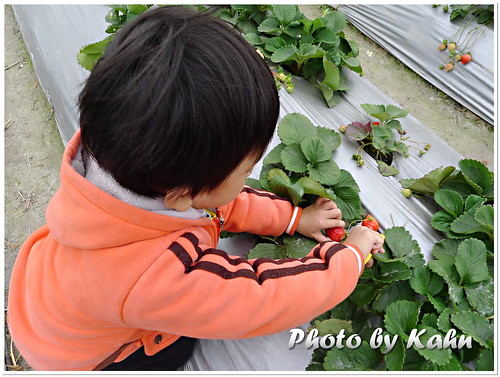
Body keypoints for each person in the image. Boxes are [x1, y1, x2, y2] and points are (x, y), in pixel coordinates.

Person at [7, 5, 384, 371]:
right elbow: (258, 298)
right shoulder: (153, 277)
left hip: (45, 299)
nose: (250, 175)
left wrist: (293, 217)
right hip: (82, 358)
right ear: (181, 196)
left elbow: (219, 202)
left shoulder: (116, 157)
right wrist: (348, 257)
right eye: (248, 168)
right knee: (175, 348)